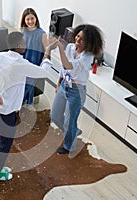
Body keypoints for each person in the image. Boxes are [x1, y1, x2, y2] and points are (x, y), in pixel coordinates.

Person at [0, 31, 54, 181]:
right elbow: (44, 72)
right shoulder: (20, 64)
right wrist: (47, 52)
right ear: (20, 45)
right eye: (24, 42)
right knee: (5, 143)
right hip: (6, 113)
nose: (26, 44)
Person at [49, 24, 104, 154]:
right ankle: (73, 130)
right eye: (77, 36)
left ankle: (69, 146)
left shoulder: (88, 57)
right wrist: (58, 84)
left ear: (89, 43)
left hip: (76, 92)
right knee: (55, 115)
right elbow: (63, 70)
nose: (77, 40)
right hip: (64, 86)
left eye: (82, 39)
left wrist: (60, 49)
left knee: (69, 121)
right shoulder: (70, 48)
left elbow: (68, 65)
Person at [20, 8, 48, 105]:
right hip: (24, 62)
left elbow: (47, 52)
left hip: (35, 64)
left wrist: (44, 66)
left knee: (27, 85)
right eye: (28, 19)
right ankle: (22, 103)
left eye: (32, 18)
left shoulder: (42, 34)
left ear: (36, 18)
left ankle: (23, 104)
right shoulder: (24, 31)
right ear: (24, 20)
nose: (30, 21)